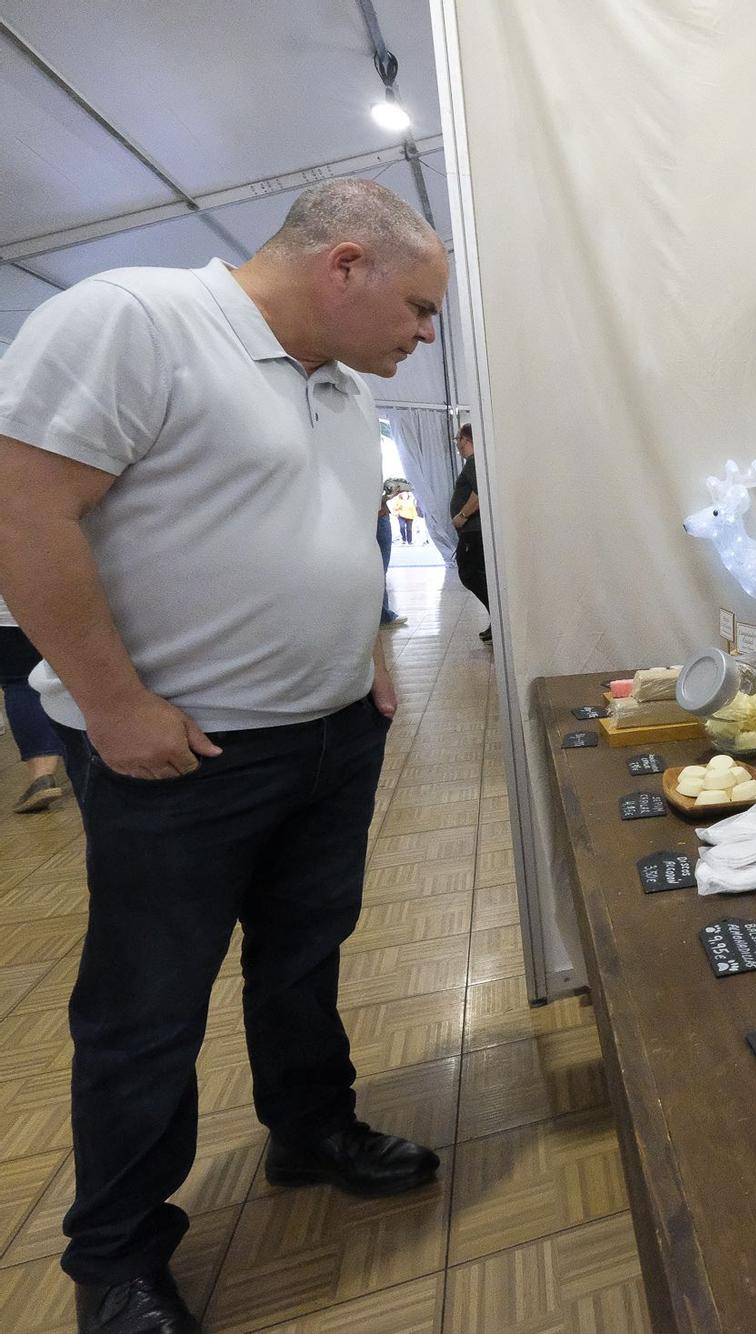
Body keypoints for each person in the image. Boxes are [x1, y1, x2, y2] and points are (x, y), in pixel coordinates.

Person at [0, 178, 448, 1334]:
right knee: (146, 1010)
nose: (426, 332)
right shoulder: (134, 319)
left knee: (303, 957)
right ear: (343, 265)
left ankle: (312, 1127)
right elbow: (22, 509)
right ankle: (117, 1258)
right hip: (184, 759)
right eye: (418, 304)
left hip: (331, 734)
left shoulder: (342, 387)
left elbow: (344, 532)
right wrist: (110, 705)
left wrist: (372, 641)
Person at [0, 591, 65, 813]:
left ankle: (42, 776)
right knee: (69, 677)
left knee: (19, 682)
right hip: (51, 600)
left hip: (6, 616)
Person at [449, 423, 492, 643]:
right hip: (472, 532)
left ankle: (498, 616)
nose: (457, 444)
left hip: (473, 532)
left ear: (466, 439)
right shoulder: (473, 464)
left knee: (469, 574)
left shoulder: (474, 463)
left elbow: (479, 493)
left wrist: (462, 516)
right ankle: (496, 619)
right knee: (475, 575)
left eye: (458, 439)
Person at [376, 482, 404, 628]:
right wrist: (386, 498)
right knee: (380, 569)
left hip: (378, 517)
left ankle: (382, 613)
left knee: (380, 570)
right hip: (377, 518)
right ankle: (382, 615)